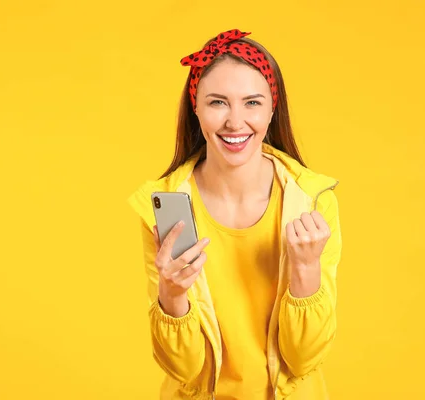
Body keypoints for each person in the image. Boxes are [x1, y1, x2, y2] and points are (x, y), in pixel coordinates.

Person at [127, 28, 342, 400]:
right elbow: (183, 371)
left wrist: (306, 270)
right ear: (195, 107)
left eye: (252, 102)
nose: (235, 122)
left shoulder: (312, 202)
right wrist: (172, 293)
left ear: (273, 109)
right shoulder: (165, 206)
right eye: (218, 102)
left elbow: (304, 359)